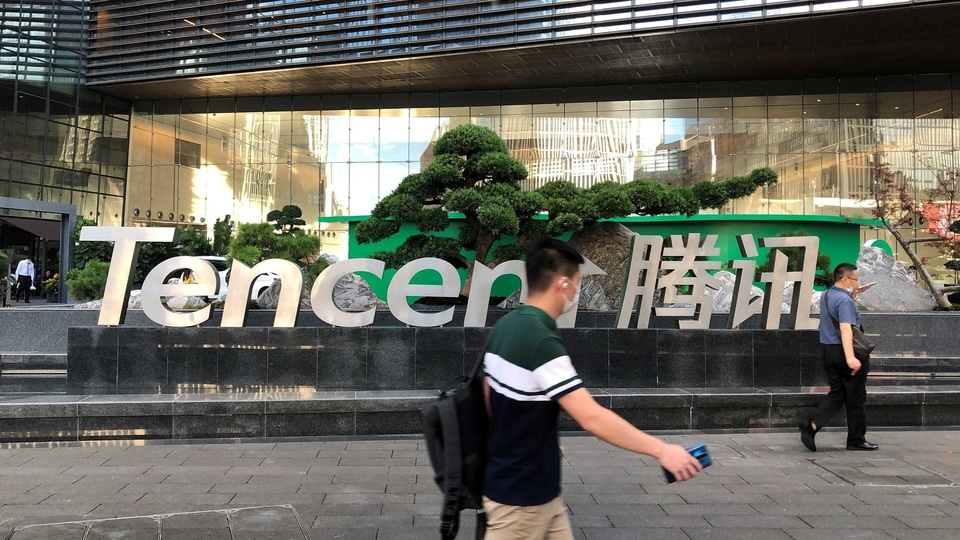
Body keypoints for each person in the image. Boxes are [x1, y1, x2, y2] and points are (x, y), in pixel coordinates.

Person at [482, 238, 703, 539]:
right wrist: (661, 449)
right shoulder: (540, 341)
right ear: (562, 284)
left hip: (533, 491)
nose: (576, 292)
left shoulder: (506, 326)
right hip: (520, 503)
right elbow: (591, 418)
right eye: (577, 283)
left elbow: (487, 395)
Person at [800, 263, 878, 452]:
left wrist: (854, 293)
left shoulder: (827, 296)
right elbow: (845, 328)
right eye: (855, 279)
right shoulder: (845, 302)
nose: (857, 282)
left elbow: (835, 313)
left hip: (829, 351)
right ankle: (856, 440)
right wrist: (851, 357)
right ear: (845, 279)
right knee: (856, 397)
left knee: (838, 393)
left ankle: (812, 425)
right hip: (845, 352)